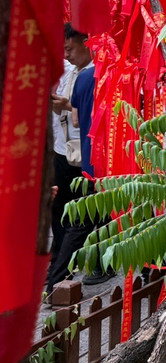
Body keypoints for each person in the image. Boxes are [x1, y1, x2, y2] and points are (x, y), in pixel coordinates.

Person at [46, 25, 107, 290]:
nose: (67, 55)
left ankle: (61, 277)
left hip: (92, 158)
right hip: (79, 154)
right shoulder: (85, 74)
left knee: (84, 218)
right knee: (74, 216)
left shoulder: (87, 76)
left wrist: (68, 105)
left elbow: (82, 117)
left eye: (69, 49)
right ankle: (58, 275)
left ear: (86, 42)